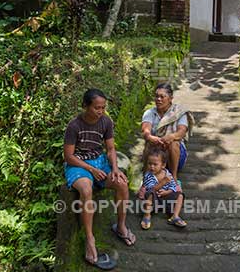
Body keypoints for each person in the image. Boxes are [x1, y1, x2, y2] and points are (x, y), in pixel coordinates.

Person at [64, 89, 135, 270]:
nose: (100, 111)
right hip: (78, 165)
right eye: (97, 108)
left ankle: (120, 226)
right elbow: (69, 156)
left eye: (103, 108)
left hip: (100, 162)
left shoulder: (106, 122)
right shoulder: (74, 126)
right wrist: (90, 169)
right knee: (86, 190)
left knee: (122, 183)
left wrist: (115, 169)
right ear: (85, 106)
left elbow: (110, 149)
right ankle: (90, 239)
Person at [141, 83, 193, 184]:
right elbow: (145, 130)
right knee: (149, 143)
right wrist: (151, 137)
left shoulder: (178, 112)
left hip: (175, 155)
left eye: (162, 96)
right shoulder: (150, 113)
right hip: (155, 155)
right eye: (156, 96)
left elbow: (182, 132)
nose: (158, 99)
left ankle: (173, 176)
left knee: (174, 143)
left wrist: (171, 137)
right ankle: (146, 177)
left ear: (170, 98)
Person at [136, 148, 187, 229]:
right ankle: (147, 215)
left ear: (163, 165)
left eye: (155, 164)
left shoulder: (167, 174)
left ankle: (175, 216)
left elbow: (173, 186)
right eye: (149, 164)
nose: (152, 167)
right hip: (154, 200)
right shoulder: (148, 175)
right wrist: (163, 182)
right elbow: (151, 189)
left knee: (180, 195)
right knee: (150, 194)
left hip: (166, 199)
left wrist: (167, 192)